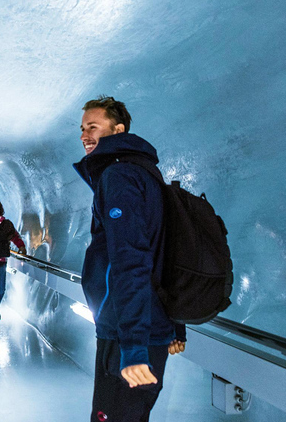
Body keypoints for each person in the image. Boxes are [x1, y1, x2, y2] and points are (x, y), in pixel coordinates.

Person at [73, 96, 187, 422]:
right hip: (150, 326)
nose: (84, 135)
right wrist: (174, 325)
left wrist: (133, 347)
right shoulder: (149, 173)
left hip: (125, 333)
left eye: (93, 127)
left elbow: (130, 260)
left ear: (118, 129)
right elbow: (167, 254)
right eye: (82, 128)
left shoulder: (118, 176)